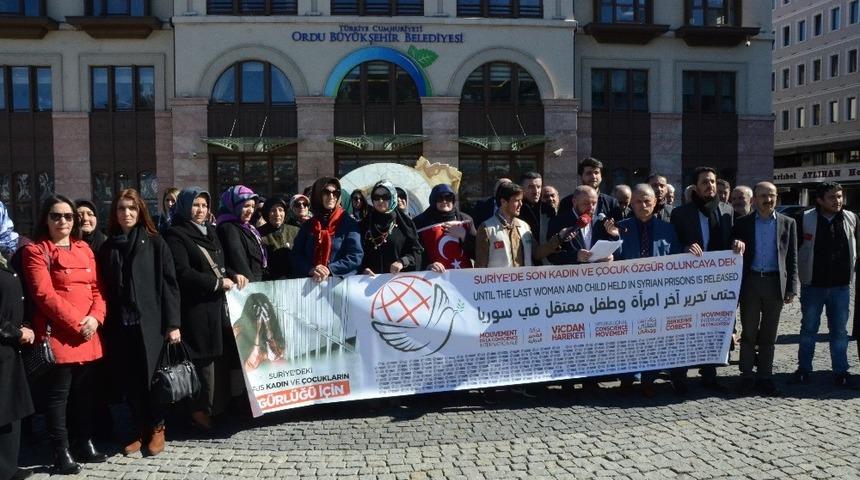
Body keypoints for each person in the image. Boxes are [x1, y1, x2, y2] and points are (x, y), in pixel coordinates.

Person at [22, 195, 107, 474]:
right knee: (58, 399)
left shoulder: (84, 248)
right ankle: (61, 451)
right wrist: (77, 322)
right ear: (45, 219)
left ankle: (84, 441)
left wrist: (96, 318)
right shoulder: (37, 251)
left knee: (85, 395)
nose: (63, 221)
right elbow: (44, 295)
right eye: (56, 216)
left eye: (69, 216)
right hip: (60, 335)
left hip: (88, 333)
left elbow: (97, 289)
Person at [98, 188, 181, 457]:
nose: (127, 213)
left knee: (154, 380)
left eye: (132, 208)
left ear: (140, 211)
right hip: (121, 325)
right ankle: (139, 428)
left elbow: (170, 285)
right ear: (115, 213)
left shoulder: (155, 242)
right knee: (131, 380)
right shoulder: (108, 246)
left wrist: (173, 324)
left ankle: (157, 427)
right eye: (121, 208)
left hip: (152, 324)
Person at [164, 187, 240, 430]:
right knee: (203, 362)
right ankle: (199, 411)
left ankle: (217, 408)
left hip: (216, 307)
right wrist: (216, 283)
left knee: (219, 359)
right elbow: (181, 272)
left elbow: (220, 264)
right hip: (196, 308)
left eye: (204, 205)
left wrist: (233, 275)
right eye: (195, 205)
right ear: (185, 206)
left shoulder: (210, 231)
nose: (200, 210)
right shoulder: (176, 234)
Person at [670, 166, 744, 393]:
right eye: (705, 182)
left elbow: (734, 237)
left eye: (712, 181)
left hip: (718, 283)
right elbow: (671, 246)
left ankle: (709, 374)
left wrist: (738, 243)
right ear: (695, 187)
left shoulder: (727, 211)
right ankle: (679, 377)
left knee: (713, 328)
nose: (710, 186)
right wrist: (684, 248)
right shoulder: (681, 213)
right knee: (685, 329)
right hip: (688, 284)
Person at [611, 184, 681, 397]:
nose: (643, 205)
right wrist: (612, 239)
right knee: (628, 337)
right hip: (627, 295)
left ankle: (649, 379)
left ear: (655, 202)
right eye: (638, 201)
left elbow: (677, 260)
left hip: (657, 295)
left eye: (647, 201)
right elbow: (613, 259)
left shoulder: (668, 229)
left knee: (653, 337)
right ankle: (627, 379)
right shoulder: (619, 228)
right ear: (631, 204)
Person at [732, 182, 798, 396]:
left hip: (775, 283)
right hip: (751, 282)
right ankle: (746, 375)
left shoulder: (788, 223)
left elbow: (792, 257)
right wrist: (735, 244)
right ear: (754, 199)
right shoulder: (742, 223)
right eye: (763, 196)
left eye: (772, 196)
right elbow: (732, 250)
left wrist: (791, 287)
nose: (768, 200)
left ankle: (765, 376)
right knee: (749, 332)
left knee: (770, 334)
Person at [794, 181, 858, 387]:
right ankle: (804, 370)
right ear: (820, 200)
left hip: (841, 287)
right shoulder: (804, 219)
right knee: (808, 330)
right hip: (813, 286)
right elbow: (793, 252)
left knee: (839, 332)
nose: (838, 201)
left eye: (840, 196)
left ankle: (841, 372)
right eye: (832, 197)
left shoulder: (851, 218)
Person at [0, 252, 35, 480]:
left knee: (10, 407)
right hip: (5, 343)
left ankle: (8, 467)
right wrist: (17, 333)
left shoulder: (3, 257)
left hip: (9, 349)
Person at [292, 177, 363, 282]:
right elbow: (295, 255)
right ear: (318, 195)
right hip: (310, 285)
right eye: (326, 192)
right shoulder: (308, 225)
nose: (331, 196)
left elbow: (355, 256)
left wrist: (330, 269)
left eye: (335, 193)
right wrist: (310, 269)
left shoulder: (348, 223)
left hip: (339, 285)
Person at [360, 181, 422, 275]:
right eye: (376, 197)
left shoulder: (405, 223)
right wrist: (362, 269)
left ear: (393, 197)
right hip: (369, 281)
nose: (380, 201)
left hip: (398, 280)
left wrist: (402, 262)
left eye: (385, 197)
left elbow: (416, 252)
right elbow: (356, 252)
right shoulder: (364, 224)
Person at [544, 186, 616, 266]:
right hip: (572, 272)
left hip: (598, 272)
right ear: (574, 202)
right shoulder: (558, 222)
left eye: (594, 203)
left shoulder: (600, 222)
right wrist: (576, 256)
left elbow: (618, 251)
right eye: (586, 203)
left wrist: (614, 237)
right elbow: (551, 256)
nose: (591, 207)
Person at [413, 184, 476, 272]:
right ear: (433, 201)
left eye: (448, 198)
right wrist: (427, 265)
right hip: (433, 276)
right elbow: (415, 251)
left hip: (463, 275)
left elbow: (478, 252)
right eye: (440, 198)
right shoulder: (420, 222)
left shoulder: (465, 220)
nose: (444, 201)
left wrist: (465, 236)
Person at [475, 182, 534, 268]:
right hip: (497, 277)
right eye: (517, 200)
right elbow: (480, 266)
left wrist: (554, 241)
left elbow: (536, 253)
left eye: (521, 200)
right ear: (503, 202)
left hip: (524, 276)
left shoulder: (525, 226)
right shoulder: (486, 228)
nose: (521, 204)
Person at [216, 185, 267, 282]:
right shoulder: (228, 228)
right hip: (246, 285)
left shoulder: (248, 228)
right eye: (246, 206)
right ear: (234, 205)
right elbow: (238, 261)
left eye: (253, 206)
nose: (251, 210)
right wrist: (253, 286)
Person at [559, 158, 623, 222]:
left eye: (596, 173)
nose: (593, 176)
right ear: (581, 177)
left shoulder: (611, 203)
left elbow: (620, 226)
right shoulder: (567, 202)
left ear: (601, 176)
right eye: (589, 173)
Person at [258, 196, 299, 280]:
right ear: (266, 213)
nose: (277, 214)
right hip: (269, 281)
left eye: (280, 210)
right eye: (273, 210)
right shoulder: (258, 234)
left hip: (294, 280)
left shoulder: (296, 231)